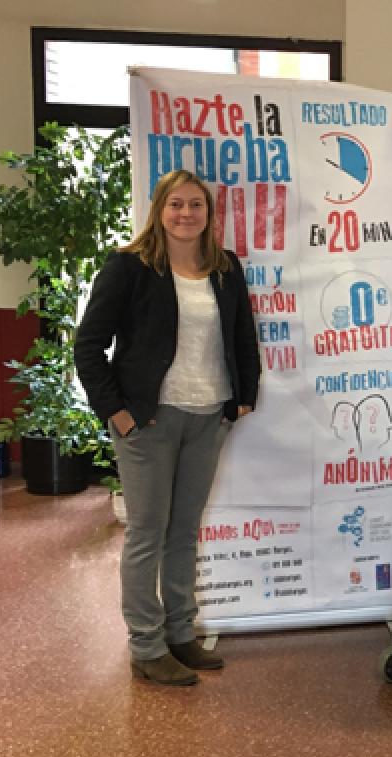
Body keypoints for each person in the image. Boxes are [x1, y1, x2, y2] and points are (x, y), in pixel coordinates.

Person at [76, 170, 260, 687]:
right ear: (159, 210)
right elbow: (88, 347)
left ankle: (181, 634)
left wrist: (243, 398)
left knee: (183, 533)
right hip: (148, 421)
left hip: (207, 417)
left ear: (209, 213)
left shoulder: (225, 268)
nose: (185, 214)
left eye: (195, 205)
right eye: (175, 204)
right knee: (146, 534)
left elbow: (243, 335)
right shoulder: (130, 267)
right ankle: (146, 645)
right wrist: (117, 411)